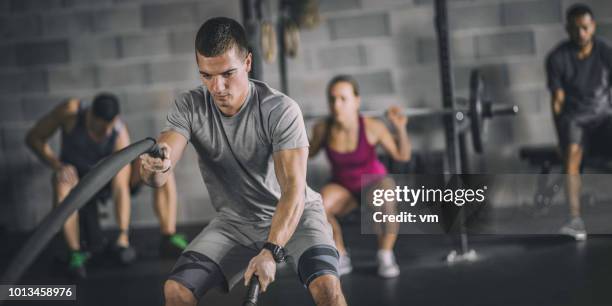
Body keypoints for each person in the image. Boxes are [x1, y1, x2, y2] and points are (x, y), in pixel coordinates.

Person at [139, 17, 347, 306]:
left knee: (327, 290)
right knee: (176, 291)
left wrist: (270, 251)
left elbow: (293, 191)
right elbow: (162, 165)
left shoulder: (280, 110)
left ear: (248, 62)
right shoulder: (189, 106)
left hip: (296, 217)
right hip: (234, 223)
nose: (217, 87)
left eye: (227, 73)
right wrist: (153, 170)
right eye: (206, 76)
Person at [25, 93, 186, 278]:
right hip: (76, 180)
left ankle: (168, 236)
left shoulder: (119, 133)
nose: (104, 133)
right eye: (99, 130)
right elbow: (33, 138)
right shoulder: (69, 112)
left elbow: (120, 187)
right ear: (90, 116)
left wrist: (122, 238)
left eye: (107, 130)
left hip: (108, 181)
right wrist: (58, 165)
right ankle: (75, 253)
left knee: (161, 167)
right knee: (61, 182)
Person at [308, 75, 411, 278]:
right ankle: (340, 253)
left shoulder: (372, 127)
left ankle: (385, 254)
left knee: (387, 193)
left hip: (373, 184)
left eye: (343, 99)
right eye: (332, 99)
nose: (336, 105)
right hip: (343, 187)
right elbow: (306, 154)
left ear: (356, 101)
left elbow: (402, 156)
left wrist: (400, 128)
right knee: (317, 206)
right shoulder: (323, 128)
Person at [546, 3, 612, 241]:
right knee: (572, 155)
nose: (581, 34)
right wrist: (561, 140)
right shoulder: (557, 58)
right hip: (575, 120)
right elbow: (557, 102)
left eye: (585, 28)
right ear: (567, 29)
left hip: (604, 117)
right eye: (575, 29)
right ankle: (575, 220)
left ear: (593, 27)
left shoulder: (606, 52)